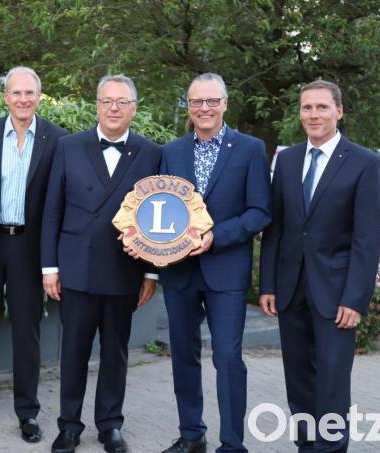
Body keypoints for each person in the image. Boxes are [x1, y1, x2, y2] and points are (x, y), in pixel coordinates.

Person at [259, 80, 380, 452]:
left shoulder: (365, 162)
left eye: (322, 108)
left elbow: (366, 239)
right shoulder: (287, 159)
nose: (313, 115)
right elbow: (276, 229)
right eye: (307, 108)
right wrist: (268, 284)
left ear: (339, 112)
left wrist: (355, 299)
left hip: (337, 296)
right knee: (298, 383)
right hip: (291, 289)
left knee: (331, 383)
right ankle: (305, 447)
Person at [40, 74, 160, 453]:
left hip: (124, 268)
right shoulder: (68, 146)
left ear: (134, 109)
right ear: (96, 105)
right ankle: (69, 426)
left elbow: (161, 220)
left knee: (116, 352)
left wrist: (151, 270)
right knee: (73, 352)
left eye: (122, 102)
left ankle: (110, 425)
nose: (113, 108)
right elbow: (51, 212)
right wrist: (49, 267)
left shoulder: (151, 152)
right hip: (75, 267)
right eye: (107, 101)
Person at [158, 73, 271, 453]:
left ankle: (232, 443)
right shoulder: (171, 151)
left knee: (227, 358)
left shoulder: (250, 148)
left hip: (226, 270)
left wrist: (216, 237)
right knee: (183, 356)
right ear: (187, 106)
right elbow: (159, 208)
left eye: (211, 101)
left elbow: (260, 211)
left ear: (225, 103)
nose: (203, 109)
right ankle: (192, 435)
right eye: (196, 102)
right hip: (179, 271)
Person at [0, 66, 68, 443]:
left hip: (29, 249)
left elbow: (59, 205)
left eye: (29, 93)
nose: (22, 100)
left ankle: (28, 413)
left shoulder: (57, 140)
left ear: (39, 97)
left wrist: (51, 260)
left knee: (27, 333)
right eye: (15, 93)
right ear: (6, 96)